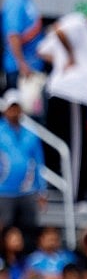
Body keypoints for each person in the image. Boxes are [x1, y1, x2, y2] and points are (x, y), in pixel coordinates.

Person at [37, 0, 87, 201]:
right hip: (74, 94)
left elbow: (42, 50)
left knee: (66, 143)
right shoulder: (78, 21)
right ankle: (74, 195)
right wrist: (70, 57)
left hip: (67, 93)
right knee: (76, 147)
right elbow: (58, 29)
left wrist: (60, 60)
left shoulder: (77, 32)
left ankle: (69, 189)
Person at [0, 90, 45, 241]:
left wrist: (41, 190)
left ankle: (26, 260)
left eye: (16, 107)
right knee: (5, 230)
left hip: (28, 189)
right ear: (5, 108)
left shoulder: (31, 133)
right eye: (11, 107)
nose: (14, 111)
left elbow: (39, 162)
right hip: (3, 190)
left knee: (30, 230)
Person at [2, 0, 43, 91]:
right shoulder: (15, 1)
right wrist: (21, 63)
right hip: (20, 69)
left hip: (33, 66)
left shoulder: (26, 0)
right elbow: (13, 35)